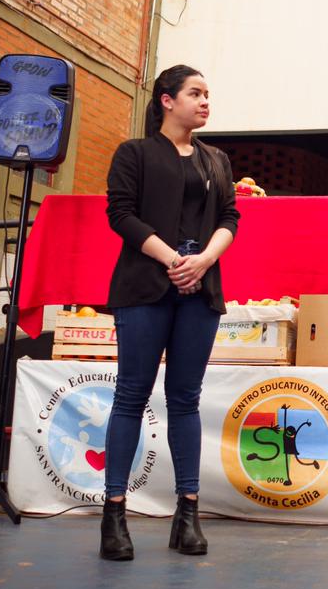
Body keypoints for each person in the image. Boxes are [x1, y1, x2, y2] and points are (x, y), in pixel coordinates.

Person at [100, 65, 239, 561]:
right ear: (165, 100)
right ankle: (114, 514)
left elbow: (229, 217)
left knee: (185, 399)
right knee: (131, 395)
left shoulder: (216, 159)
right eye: (195, 93)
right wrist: (172, 259)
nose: (205, 102)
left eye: (208, 93)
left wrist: (202, 260)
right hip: (144, 287)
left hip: (200, 288)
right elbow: (120, 213)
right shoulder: (134, 153)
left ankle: (187, 515)